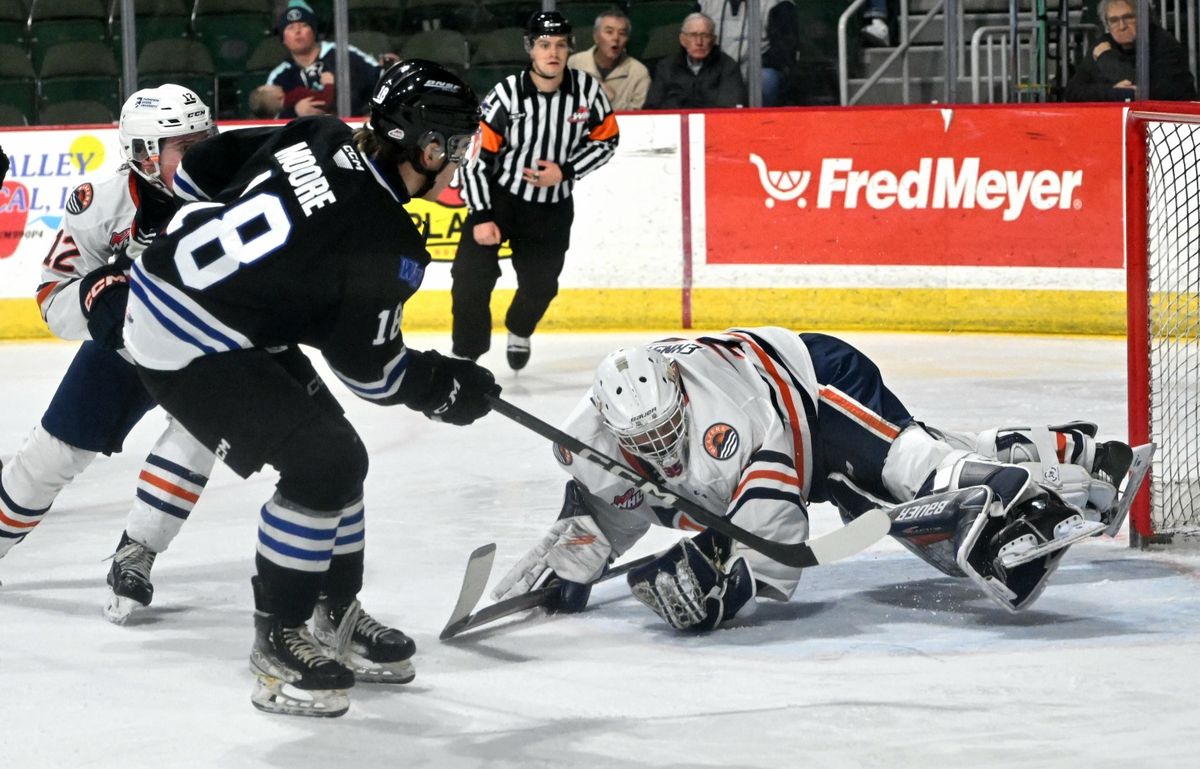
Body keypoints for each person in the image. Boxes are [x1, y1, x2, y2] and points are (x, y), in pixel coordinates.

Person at [124, 60, 499, 718]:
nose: (460, 160)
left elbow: (195, 169)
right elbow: (373, 373)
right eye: (458, 145)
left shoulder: (319, 132)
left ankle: (336, 614)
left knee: (337, 453)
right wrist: (442, 385)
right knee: (325, 462)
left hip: (195, 299)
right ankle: (280, 638)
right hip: (184, 337)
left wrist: (245, 262)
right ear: (429, 145)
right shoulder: (391, 243)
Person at [493, 328, 1137, 632]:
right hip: (784, 418)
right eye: (643, 441)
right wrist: (582, 546)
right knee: (916, 479)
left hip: (817, 389)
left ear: (681, 398)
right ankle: (1067, 446)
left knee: (914, 473)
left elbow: (779, 531)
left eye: (668, 431)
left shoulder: (730, 417)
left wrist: (730, 580)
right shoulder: (588, 434)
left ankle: (1024, 497)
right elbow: (617, 498)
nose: (659, 449)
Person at [0, 85, 217, 624]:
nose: (202, 154)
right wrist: (100, 297)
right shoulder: (101, 203)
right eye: (184, 147)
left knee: (201, 430)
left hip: (204, 345)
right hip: (125, 344)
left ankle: (137, 550)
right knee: (51, 456)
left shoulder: (236, 190)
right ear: (144, 151)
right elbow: (53, 297)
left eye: (204, 139)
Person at [451, 10, 619, 371]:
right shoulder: (507, 95)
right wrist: (481, 215)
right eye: (544, 45)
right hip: (499, 200)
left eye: (560, 45)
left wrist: (567, 170)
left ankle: (519, 328)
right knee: (468, 279)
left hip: (552, 209)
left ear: (570, 48)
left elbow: (607, 140)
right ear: (531, 49)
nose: (552, 53)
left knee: (541, 287)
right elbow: (474, 157)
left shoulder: (587, 91)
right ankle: (467, 352)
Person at [265, 0, 382, 118]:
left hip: (351, 132)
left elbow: (380, 79)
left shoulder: (343, 53)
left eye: (304, 25)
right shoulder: (278, 77)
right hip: (304, 136)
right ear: (283, 38)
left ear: (314, 31)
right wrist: (295, 112)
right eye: (290, 27)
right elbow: (270, 121)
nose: (298, 31)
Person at [1065, 0, 1197, 102]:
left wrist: (1107, 59)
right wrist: (1113, 92)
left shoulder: (1164, 44)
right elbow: (1072, 91)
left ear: (1143, 18)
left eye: (1128, 17)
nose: (1122, 26)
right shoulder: (1103, 44)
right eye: (1114, 20)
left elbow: (1146, 92)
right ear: (1107, 24)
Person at [695, 0, 799, 106]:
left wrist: (742, 74)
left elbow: (783, 55)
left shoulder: (777, 3)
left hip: (753, 77)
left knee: (766, 78)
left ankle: (763, 121)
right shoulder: (704, 3)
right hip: (716, 74)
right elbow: (690, 47)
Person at [644, 13, 746, 109]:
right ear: (682, 40)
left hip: (713, 125)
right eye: (693, 35)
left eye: (705, 35)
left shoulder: (728, 66)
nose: (699, 42)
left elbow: (730, 110)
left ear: (713, 39)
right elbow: (652, 108)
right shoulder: (666, 67)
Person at [567, 8, 651, 111]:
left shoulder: (638, 72)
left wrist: (610, 99)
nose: (616, 38)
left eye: (622, 33)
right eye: (609, 32)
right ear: (595, 37)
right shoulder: (575, 63)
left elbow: (639, 119)